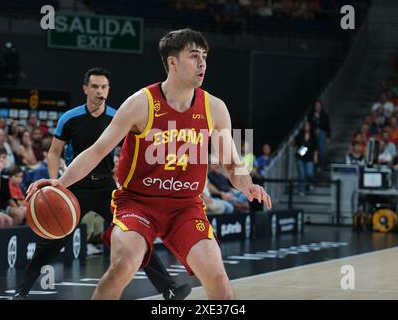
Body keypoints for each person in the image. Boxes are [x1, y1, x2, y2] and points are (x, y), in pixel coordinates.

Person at [27, 29, 271, 300]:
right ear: (172, 62)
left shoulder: (215, 107)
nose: (202, 63)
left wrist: (248, 184)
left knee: (217, 277)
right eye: (194, 56)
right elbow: (97, 151)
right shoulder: (140, 103)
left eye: (204, 56)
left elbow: (230, 162)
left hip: (185, 206)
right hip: (138, 202)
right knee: (122, 267)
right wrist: (60, 183)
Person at [15, 67, 190, 300]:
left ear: (109, 90)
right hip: (75, 187)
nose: (100, 91)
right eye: (95, 86)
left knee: (137, 233)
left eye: (104, 87)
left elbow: (137, 150)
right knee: (51, 242)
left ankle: (168, 287)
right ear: (85, 89)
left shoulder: (118, 116)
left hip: (107, 186)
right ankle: (21, 291)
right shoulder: (70, 118)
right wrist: (56, 181)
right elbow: (54, 153)